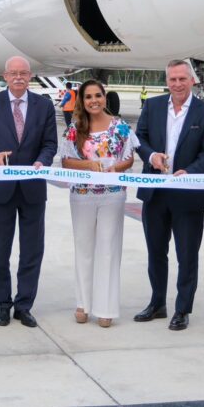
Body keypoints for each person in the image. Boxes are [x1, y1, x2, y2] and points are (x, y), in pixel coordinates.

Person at [133, 59, 204, 331]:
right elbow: (140, 139)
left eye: (182, 79)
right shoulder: (153, 105)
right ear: (167, 81)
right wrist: (151, 156)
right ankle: (158, 303)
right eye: (173, 79)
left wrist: (190, 171)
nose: (177, 84)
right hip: (156, 191)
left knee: (187, 254)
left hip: (188, 194)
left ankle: (183, 309)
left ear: (192, 81)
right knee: (156, 252)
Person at [0, 56, 58, 328]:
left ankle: (24, 305)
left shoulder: (44, 106)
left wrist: (42, 162)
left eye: (23, 73)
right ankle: (2, 304)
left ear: (30, 76)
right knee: (0, 251)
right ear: (5, 76)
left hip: (33, 188)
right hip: (0, 189)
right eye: (13, 73)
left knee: (32, 251)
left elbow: (50, 143)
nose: (18, 77)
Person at [60, 80, 138, 327]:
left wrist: (112, 167)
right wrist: (89, 165)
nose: (93, 100)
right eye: (88, 97)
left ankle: (106, 308)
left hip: (112, 195)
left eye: (98, 96)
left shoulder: (121, 127)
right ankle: (83, 303)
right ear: (82, 101)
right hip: (82, 195)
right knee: (84, 249)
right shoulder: (75, 128)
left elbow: (129, 160)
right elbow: (65, 161)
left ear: (105, 98)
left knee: (108, 249)